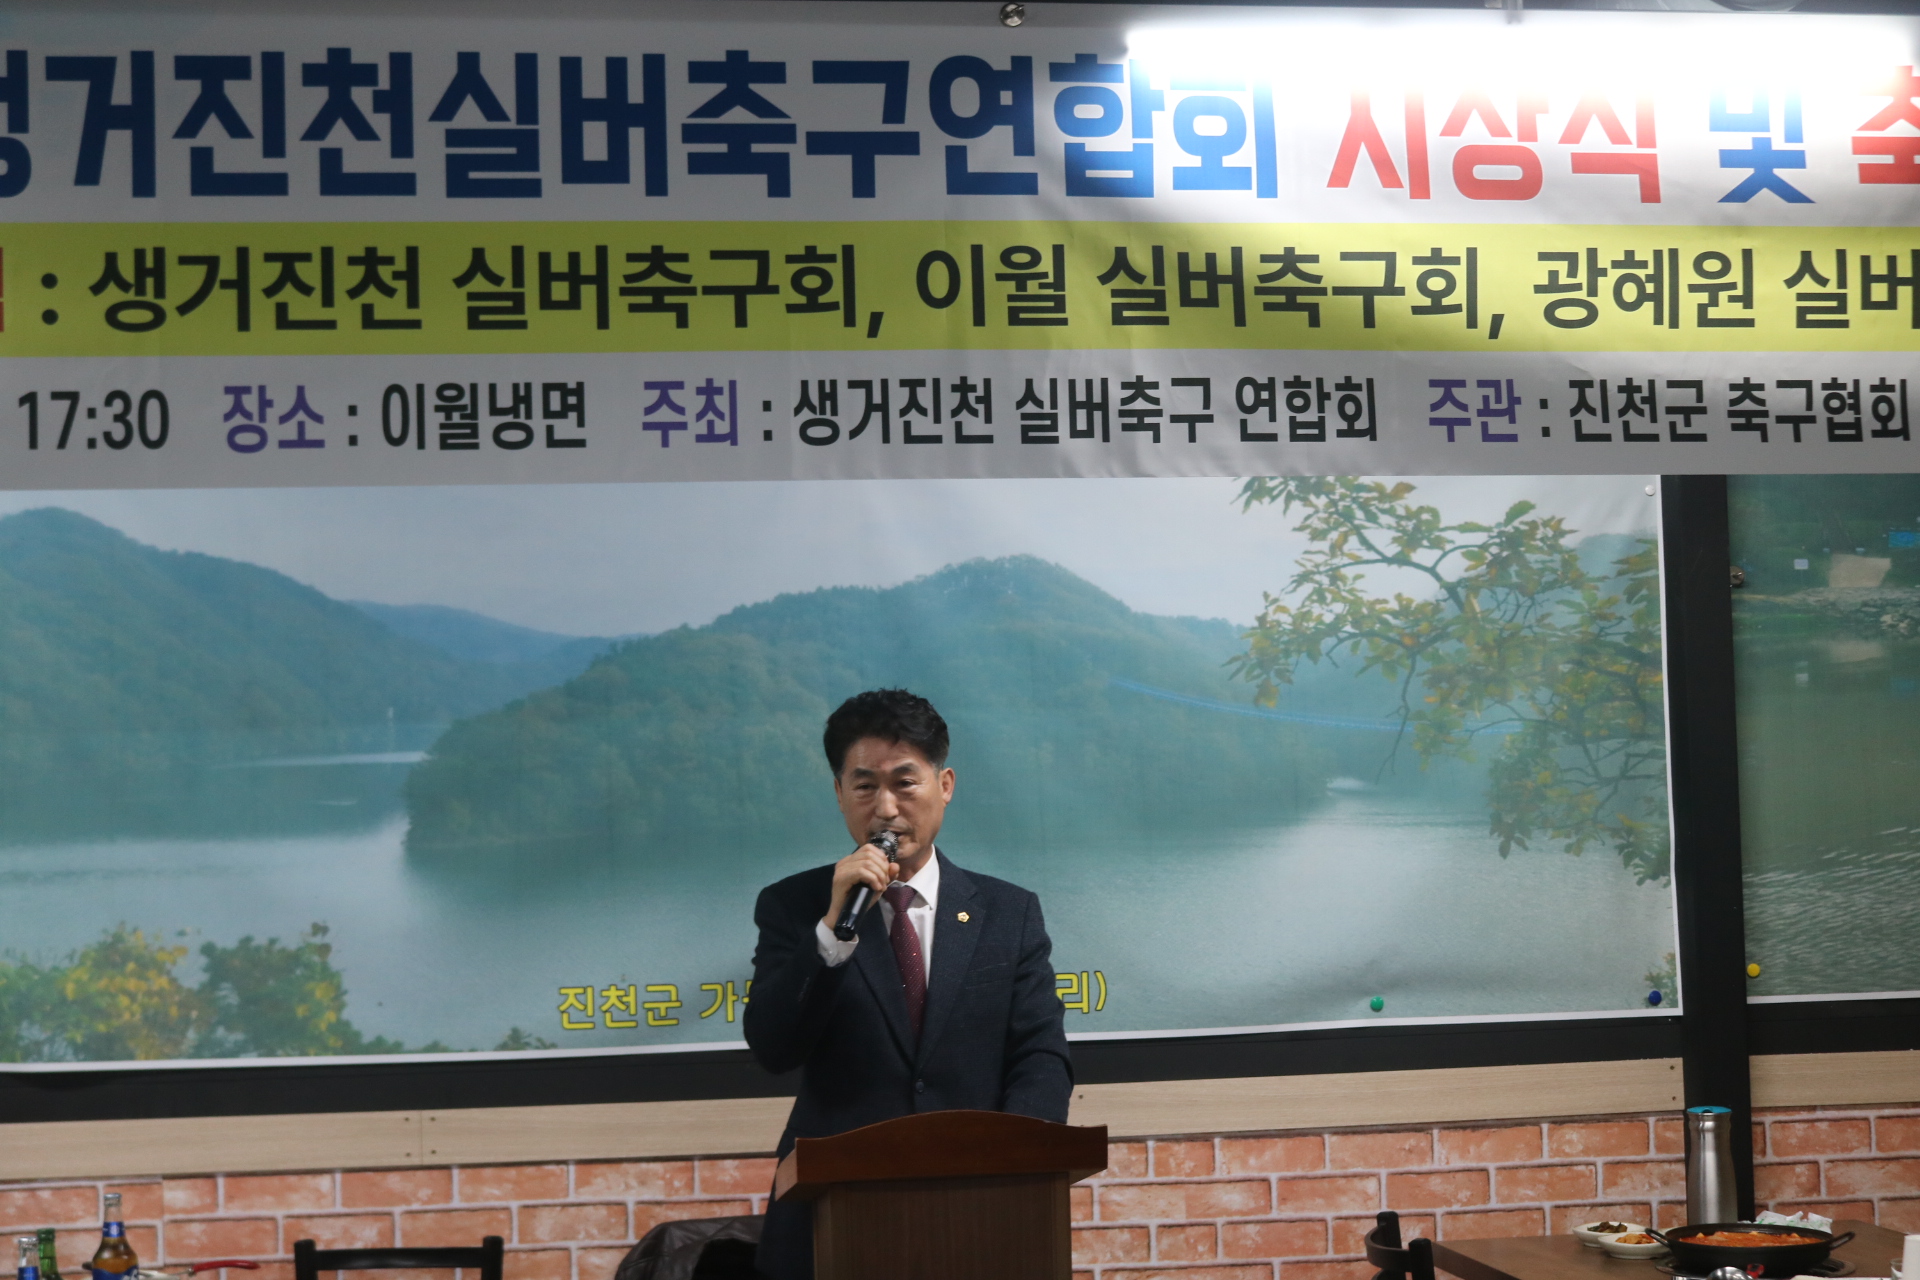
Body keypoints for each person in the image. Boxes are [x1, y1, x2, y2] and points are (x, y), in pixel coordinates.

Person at [743, 688, 1073, 1280]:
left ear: (944, 785)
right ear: (839, 794)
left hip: (985, 1209)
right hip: (833, 1215)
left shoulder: (1009, 911)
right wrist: (832, 930)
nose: (887, 808)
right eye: (865, 786)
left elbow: (1041, 1055)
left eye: (904, 782)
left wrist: (1012, 1164)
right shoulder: (795, 906)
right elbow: (774, 1046)